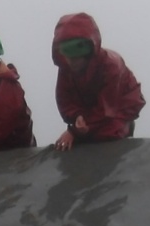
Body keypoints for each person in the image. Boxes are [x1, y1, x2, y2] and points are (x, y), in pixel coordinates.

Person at [51, 14, 144, 151]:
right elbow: (64, 99)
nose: (72, 62)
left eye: (76, 58)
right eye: (68, 56)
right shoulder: (66, 68)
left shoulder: (111, 66)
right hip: (91, 110)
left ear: (88, 52)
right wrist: (77, 117)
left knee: (109, 134)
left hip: (119, 107)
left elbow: (107, 108)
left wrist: (74, 132)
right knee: (83, 138)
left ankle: (125, 128)